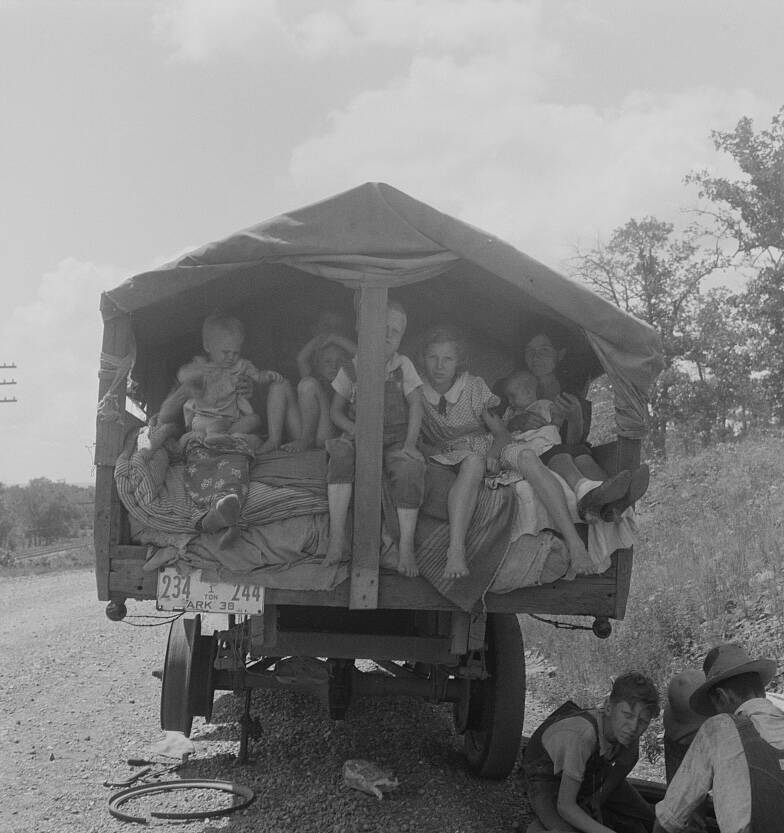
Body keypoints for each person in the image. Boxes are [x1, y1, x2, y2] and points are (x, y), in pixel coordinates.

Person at [323, 301, 425, 577]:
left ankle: (405, 547)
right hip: (360, 435)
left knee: (410, 470)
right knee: (340, 455)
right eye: (384, 328)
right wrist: (354, 431)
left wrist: (410, 444)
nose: (389, 335)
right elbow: (336, 411)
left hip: (395, 439)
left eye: (396, 331)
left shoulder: (402, 365)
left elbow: (416, 404)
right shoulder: (352, 367)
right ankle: (336, 539)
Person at [653, 642, 784, 833]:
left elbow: (667, 821)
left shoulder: (718, 728)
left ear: (720, 697)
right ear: (761, 689)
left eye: (713, 708)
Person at [521, 332, 650, 522]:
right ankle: (608, 499)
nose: (536, 357)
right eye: (529, 351)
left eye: (544, 350)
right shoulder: (516, 385)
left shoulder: (572, 389)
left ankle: (614, 502)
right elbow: (501, 423)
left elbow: (573, 442)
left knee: (581, 453)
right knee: (572, 453)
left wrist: (575, 419)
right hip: (534, 452)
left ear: (560, 354)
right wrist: (518, 421)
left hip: (562, 450)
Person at [418, 325, 508, 579]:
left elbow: (502, 433)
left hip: (478, 451)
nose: (439, 365)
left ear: (458, 361)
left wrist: (492, 455)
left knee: (473, 461)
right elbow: (415, 436)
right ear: (423, 359)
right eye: (432, 357)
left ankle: (455, 551)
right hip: (441, 455)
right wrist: (432, 449)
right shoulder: (417, 390)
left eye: (448, 358)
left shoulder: (474, 387)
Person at [523, 671, 659, 833]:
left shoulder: (628, 729)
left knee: (651, 818)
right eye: (627, 715)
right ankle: (533, 827)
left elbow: (628, 760)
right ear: (608, 707)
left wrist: (600, 797)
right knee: (567, 829)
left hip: (591, 770)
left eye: (643, 721)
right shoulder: (583, 735)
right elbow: (565, 806)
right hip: (547, 776)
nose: (634, 726)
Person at [154, 313, 301, 456]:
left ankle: (224, 439)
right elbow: (182, 377)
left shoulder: (239, 367)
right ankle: (216, 438)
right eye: (225, 352)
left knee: (254, 420)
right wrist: (196, 376)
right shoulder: (202, 367)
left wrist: (265, 376)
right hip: (205, 421)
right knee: (207, 429)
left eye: (235, 353)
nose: (231, 357)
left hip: (231, 422)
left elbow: (257, 376)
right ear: (207, 346)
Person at [282, 312, 357, 453]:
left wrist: (335, 338)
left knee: (308, 384)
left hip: (327, 436)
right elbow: (301, 359)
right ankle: (303, 439)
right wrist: (321, 338)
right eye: (327, 362)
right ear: (317, 363)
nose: (333, 366)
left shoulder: (346, 379)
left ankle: (306, 440)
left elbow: (362, 354)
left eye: (339, 362)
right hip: (304, 434)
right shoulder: (314, 377)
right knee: (302, 384)